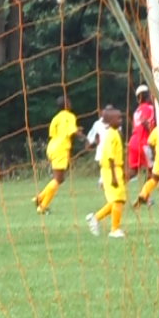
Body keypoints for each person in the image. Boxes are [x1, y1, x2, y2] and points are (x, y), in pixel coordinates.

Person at [33, 96, 83, 214]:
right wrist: (84, 138)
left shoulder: (56, 118)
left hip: (52, 147)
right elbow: (72, 131)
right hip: (61, 148)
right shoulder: (70, 116)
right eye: (69, 102)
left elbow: (53, 133)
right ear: (66, 104)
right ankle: (42, 206)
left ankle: (39, 198)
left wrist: (76, 130)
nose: (71, 104)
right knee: (58, 179)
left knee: (59, 178)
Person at [86, 105, 126, 238]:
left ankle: (95, 218)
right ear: (109, 121)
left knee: (118, 200)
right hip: (111, 170)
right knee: (118, 199)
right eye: (118, 118)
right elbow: (110, 157)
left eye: (121, 118)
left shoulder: (115, 133)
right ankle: (115, 229)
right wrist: (114, 176)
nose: (121, 120)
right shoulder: (110, 136)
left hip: (116, 169)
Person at [126, 84, 155, 182]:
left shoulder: (137, 110)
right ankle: (146, 192)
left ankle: (115, 183)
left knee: (133, 171)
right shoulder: (149, 108)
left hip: (133, 141)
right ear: (147, 96)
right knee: (153, 170)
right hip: (143, 142)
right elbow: (145, 122)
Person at [85, 108, 109, 187]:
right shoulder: (98, 123)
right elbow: (92, 134)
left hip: (112, 146)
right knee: (104, 165)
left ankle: (102, 181)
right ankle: (102, 181)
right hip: (102, 147)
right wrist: (89, 143)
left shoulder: (114, 121)